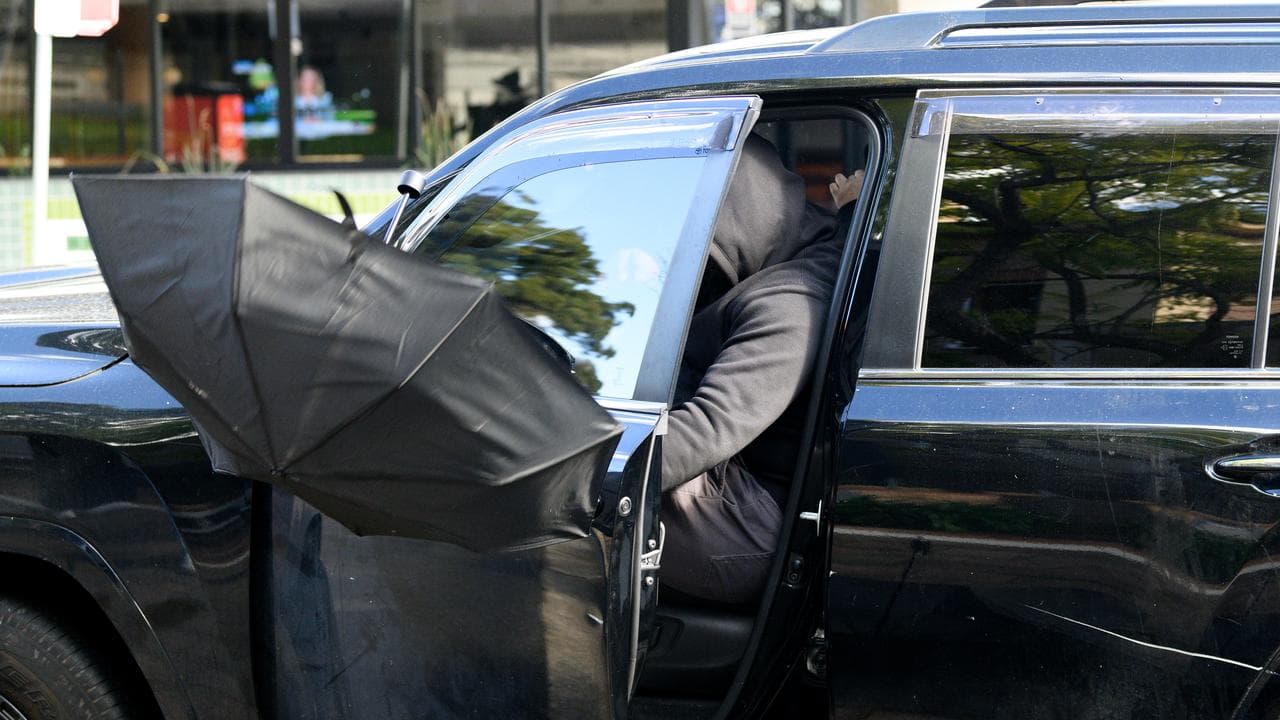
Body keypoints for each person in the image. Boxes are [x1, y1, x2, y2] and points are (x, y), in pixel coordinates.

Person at [660, 135, 863, 604]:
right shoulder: (805, 244)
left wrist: (584, 472)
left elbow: (707, 430)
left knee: (581, 486)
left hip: (751, 529)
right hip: (743, 494)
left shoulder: (788, 303)